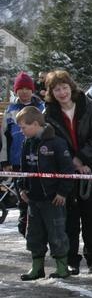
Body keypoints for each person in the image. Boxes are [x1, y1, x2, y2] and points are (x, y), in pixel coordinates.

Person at [43, 70, 92, 275]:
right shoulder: (48, 114)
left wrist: (82, 158)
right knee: (69, 220)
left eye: (64, 88)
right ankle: (72, 260)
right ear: (51, 93)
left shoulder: (90, 107)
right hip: (65, 171)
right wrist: (72, 162)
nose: (62, 93)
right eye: (57, 89)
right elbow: (52, 142)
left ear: (71, 87)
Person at [16, 106, 73, 280]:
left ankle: (62, 267)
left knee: (57, 234)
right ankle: (37, 268)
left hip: (53, 199)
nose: (21, 131)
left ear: (35, 124)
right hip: (33, 199)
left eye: (24, 127)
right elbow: (23, 169)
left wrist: (62, 192)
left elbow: (67, 170)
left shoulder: (56, 143)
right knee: (34, 235)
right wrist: (22, 188)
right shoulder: (27, 143)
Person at [2, 72, 44, 236]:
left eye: (27, 88)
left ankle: (40, 231)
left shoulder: (41, 107)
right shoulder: (10, 110)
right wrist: (5, 160)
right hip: (17, 160)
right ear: (16, 90)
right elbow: (4, 137)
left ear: (32, 89)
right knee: (23, 197)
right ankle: (25, 229)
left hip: (39, 160)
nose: (24, 92)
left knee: (39, 197)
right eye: (21, 88)